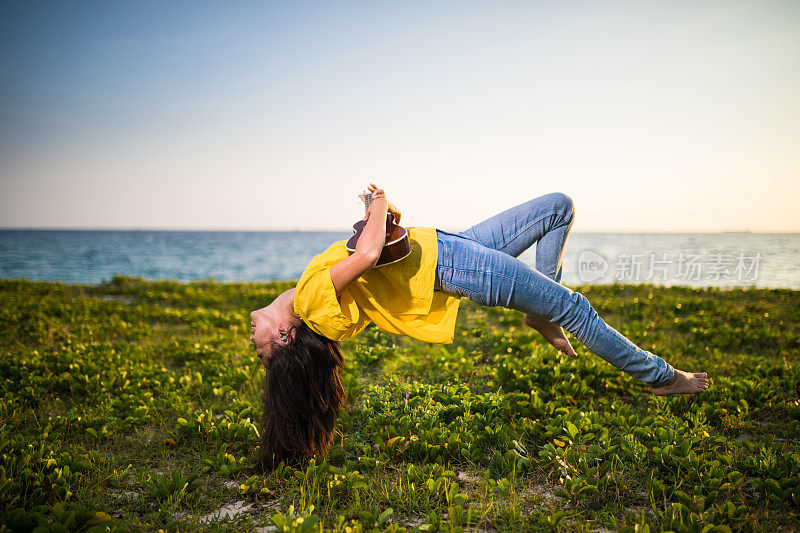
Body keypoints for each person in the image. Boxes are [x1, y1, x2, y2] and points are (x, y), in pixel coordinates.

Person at [250, 185, 709, 468]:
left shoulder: (314, 304)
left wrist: (383, 220)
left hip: (451, 245)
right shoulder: (309, 303)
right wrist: (378, 201)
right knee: (576, 310)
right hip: (458, 267)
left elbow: (378, 256)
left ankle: (540, 313)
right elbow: (368, 254)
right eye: (261, 350)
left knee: (557, 208)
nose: (252, 341)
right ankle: (662, 377)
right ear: (285, 335)